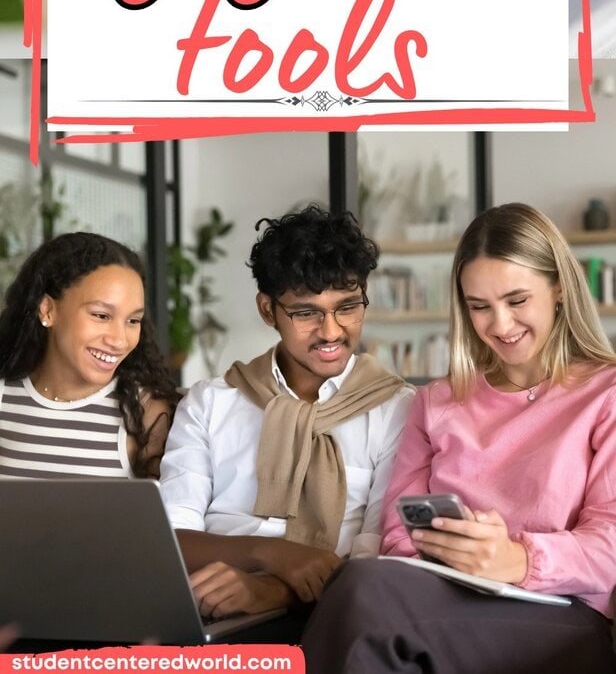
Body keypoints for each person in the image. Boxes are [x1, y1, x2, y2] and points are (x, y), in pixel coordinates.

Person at [302, 202, 616, 674]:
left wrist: (518, 559)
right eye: (479, 307)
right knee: (368, 593)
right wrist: (452, 557)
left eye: (517, 300)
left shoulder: (605, 395)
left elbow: (609, 546)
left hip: (561, 613)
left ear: (557, 290)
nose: (501, 325)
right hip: (441, 597)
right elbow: (398, 533)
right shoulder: (436, 402)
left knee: (366, 593)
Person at [159, 204, 413, 626]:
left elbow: (379, 553)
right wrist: (269, 553)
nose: (331, 331)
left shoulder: (395, 409)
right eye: (306, 313)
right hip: (209, 608)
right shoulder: (210, 402)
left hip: (339, 613)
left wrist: (273, 591)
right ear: (267, 310)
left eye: (348, 307)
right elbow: (168, 541)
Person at [0, 231, 179, 479]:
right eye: (101, 316)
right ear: (48, 310)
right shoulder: (3, 399)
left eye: (133, 320)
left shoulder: (146, 415)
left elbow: (165, 516)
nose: (118, 340)